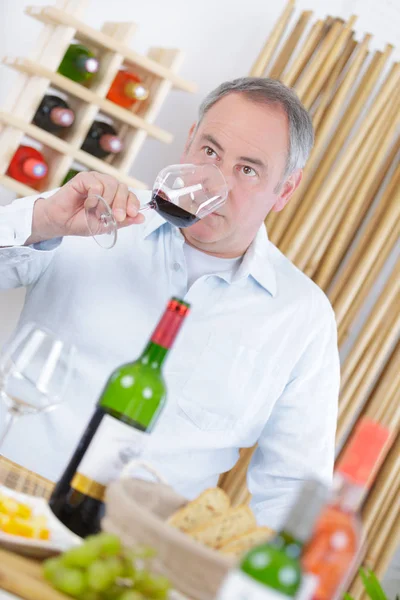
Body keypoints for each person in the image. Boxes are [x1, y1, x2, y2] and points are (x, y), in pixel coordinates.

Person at [0, 77, 340, 529]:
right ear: (189, 141)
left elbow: (291, 490)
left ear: (285, 191)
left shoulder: (301, 317)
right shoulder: (89, 213)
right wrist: (41, 221)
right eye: (211, 152)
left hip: (128, 568)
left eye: (248, 170)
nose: (215, 181)